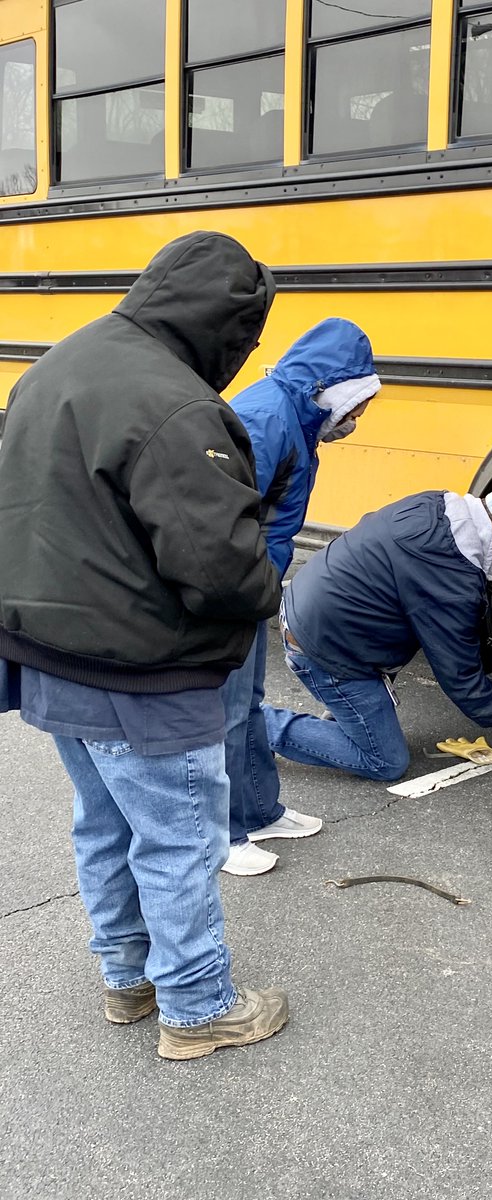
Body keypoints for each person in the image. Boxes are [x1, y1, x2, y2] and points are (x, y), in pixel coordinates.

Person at [0, 231, 290, 1059]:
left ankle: (128, 979)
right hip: (147, 675)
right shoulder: (175, 404)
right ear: (228, 325)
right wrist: (268, 591)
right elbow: (220, 569)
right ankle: (198, 1008)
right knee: (175, 838)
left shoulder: (55, 366)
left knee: (103, 825)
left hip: (50, 659)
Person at [222, 318, 381, 877]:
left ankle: (259, 811)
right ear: (330, 389)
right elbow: (226, 516)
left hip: (254, 578)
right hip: (236, 583)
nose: (357, 419)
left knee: (245, 702)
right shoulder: (268, 420)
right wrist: (244, 588)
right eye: (356, 405)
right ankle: (225, 833)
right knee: (225, 710)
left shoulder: (291, 415)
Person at [264, 485, 492, 779]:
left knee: (365, 722)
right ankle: (259, 725)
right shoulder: (451, 574)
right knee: (385, 761)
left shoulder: (435, 504)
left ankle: (348, 718)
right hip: (324, 646)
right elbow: (459, 676)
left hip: (313, 611)